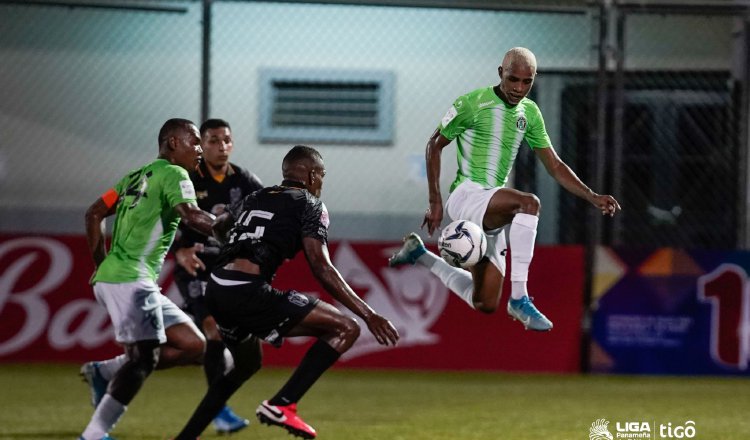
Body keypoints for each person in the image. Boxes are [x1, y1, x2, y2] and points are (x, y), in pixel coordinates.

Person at [173, 145, 400, 440]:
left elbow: (220, 227)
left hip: (217, 287)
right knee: (347, 327)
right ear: (312, 174)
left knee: (246, 365)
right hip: (247, 291)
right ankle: (282, 404)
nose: (321, 183)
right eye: (322, 176)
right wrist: (369, 315)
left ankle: (184, 438)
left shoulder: (255, 196)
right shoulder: (310, 203)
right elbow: (321, 267)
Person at [389, 47, 621, 331]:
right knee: (528, 204)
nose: (519, 88)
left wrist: (591, 195)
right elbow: (433, 145)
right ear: (501, 73)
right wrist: (435, 201)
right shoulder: (472, 103)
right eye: (513, 79)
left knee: (485, 303)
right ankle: (520, 298)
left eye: (527, 82)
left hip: (493, 204)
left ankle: (419, 255)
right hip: (467, 195)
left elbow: (555, 165)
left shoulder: (530, 113)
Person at [78, 118, 217, 440]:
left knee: (195, 345)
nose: (199, 150)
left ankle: (105, 371)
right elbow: (192, 216)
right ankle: (94, 435)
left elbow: (93, 213)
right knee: (144, 359)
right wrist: (237, 232)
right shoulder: (174, 173)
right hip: (130, 280)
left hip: (129, 278)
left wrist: (103, 264)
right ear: (172, 143)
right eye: (194, 141)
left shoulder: (136, 175)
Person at [171, 118, 263, 433]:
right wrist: (178, 251)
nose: (220, 146)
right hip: (194, 266)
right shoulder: (185, 178)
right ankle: (219, 412)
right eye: (212, 140)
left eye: (226, 140)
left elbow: (268, 209)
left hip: (227, 269)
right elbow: (162, 217)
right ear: (201, 145)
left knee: (152, 350)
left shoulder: (244, 180)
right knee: (212, 330)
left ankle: (108, 372)